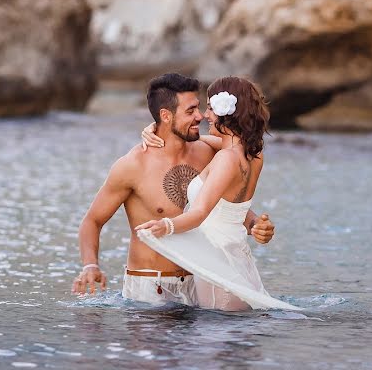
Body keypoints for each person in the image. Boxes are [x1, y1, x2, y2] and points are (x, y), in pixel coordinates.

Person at [72, 73, 276, 306]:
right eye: (190, 111)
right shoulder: (133, 166)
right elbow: (92, 221)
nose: (200, 116)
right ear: (166, 116)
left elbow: (223, 205)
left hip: (200, 283)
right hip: (152, 290)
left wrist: (253, 225)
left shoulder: (209, 152)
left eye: (200, 108)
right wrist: (90, 265)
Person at [135, 76, 298, 311]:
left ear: (227, 112)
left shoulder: (226, 158)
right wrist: (161, 128)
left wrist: (165, 226)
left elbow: (200, 212)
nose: (205, 116)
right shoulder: (254, 154)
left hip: (218, 266)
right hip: (238, 262)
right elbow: (205, 141)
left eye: (210, 108)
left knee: (213, 339)